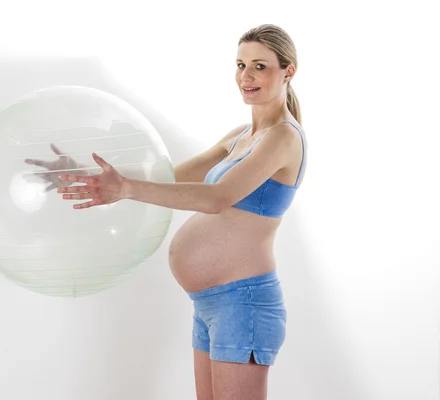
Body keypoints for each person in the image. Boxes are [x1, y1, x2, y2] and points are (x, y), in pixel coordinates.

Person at [26, 23, 306, 400]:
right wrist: (87, 174)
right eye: (240, 65)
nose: (246, 76)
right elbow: (168, 176)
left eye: (260, 66)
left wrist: (125, 189)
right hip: (209, 305)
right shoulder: (241, 136)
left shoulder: (284, 137)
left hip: (244, 305)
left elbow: (216, 197)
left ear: (288, 71)